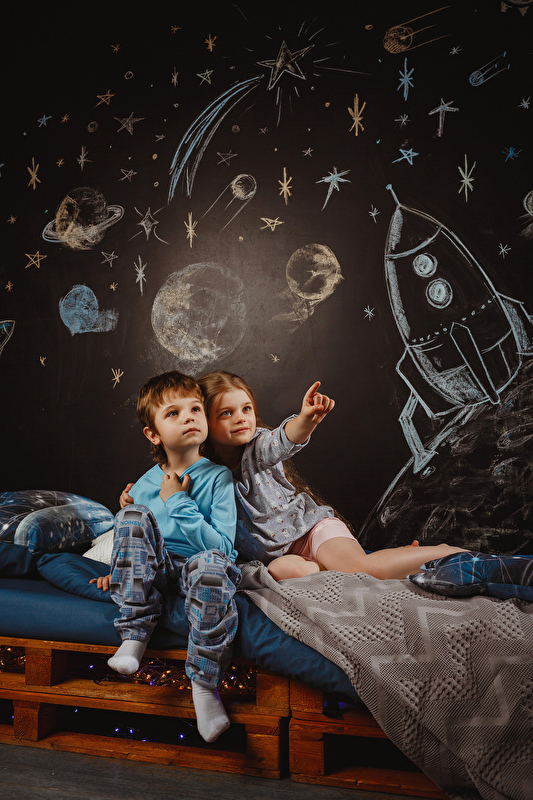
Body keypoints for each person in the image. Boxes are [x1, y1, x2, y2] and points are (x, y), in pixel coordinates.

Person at [192, 370, 466, 581]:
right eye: (226, 413)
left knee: (360, 568)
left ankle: (450, 554)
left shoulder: (258, 447)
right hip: (280, 557)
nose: (241, 418)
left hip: (312, 532)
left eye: (246, 409)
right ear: (204, 422)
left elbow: (283, 440)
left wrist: (306, 420)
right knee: (281, 573)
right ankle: (389, 561)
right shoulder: (203, 474)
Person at [93, 370, 240, 743]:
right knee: (129, 514)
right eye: (174, 413)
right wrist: (118, 570)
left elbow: (223, 549)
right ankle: (134, 636)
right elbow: (134, 538)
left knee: (212, 566)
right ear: (153, 434)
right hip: (157, 569)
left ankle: (204, 687)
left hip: (198, 568)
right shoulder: (143, 483)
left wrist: (178, 501)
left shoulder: (218, 478)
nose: (189, 417)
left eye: (195, 409)